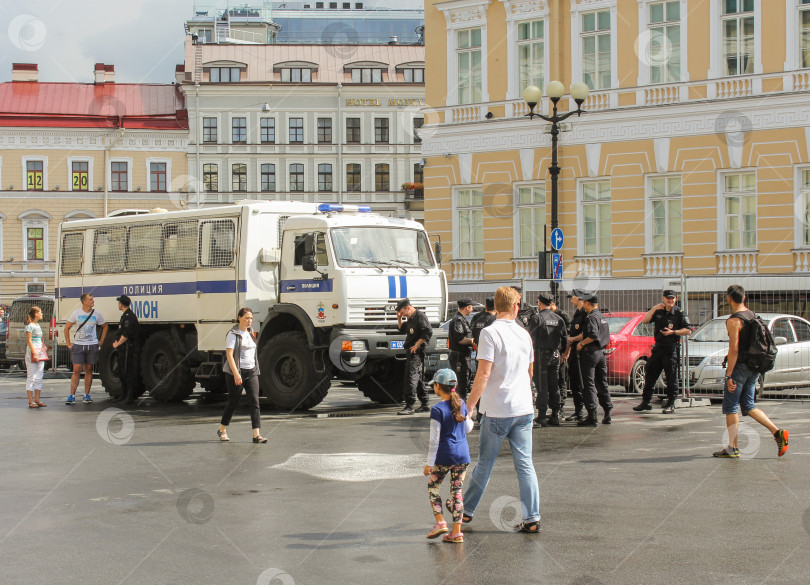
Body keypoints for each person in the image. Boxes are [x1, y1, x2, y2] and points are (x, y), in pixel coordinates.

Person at [463, 286, 541, 533]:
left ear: (496, 307)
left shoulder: (489, 333)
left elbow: (483, 374)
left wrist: (469, 406)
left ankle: (465, 511)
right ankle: (532, 518)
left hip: (498, 409)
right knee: (525, 465)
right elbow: (530, 372)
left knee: (485, 464)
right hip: (523, 408)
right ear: (516, 307)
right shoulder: (524, 334)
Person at [713, 284, 789, 458]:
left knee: (731, 406)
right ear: (744, 297)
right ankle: (778, 433)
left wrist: (729, 375)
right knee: (748, 405)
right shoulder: (753, 316)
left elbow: (734, 349)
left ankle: (732, 448)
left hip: (739, 367)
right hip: (754, 367)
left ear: (729, 298)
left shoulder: (734, 320)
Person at [423, 368, 474, 544]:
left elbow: (434, 440)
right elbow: (468, 428)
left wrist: (430, 463)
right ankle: (456, 533)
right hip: (462, 456)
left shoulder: (437, 409)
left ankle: (440, 522)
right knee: (457, 492)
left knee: (433, 485)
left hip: (445, 456)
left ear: (438, 387)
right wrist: (470, 418)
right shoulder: (461, 404)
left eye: (434, 385)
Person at [633, 290, 693, 414]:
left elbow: (688, 330)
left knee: (671, 377)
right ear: (663, 299)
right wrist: (654, 308)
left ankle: (671, 404)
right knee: (650, 373)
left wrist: (674, 332)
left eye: (672, 298)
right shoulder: (659, 311)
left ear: (675, 299)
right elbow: (645, 320)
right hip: (658, 347)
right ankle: (646, 402)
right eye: (668, 298)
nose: (670, 300)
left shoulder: (679, 313)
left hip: (671, 349)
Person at [218, 308, 266, 443]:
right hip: (236, 372)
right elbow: (229, 355)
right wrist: (236, 373)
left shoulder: (250, 333)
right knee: (233, 402)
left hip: (251, 371)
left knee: (255, 402)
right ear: (239, 318)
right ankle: (222, 429)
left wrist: (256, 369)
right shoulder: (233, 334)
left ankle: (256, 434)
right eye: (246, 318)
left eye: (251, 318)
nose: (249, 321)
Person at [576, 293, 614, 427]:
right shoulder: (602, 317)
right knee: (602, 382)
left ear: (587, 303)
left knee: (589, 384)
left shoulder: (591, 317)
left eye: (584, 303)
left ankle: (592, 415)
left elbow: (592, 335)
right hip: (601, 353)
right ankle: (607, 411)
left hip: (591, 353)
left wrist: (581, 344)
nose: (583, 305)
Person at [531, 293, 568, 427]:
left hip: (541, 355)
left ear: (540, 303)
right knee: (554, 385)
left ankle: (541, 416)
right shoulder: (558, 319)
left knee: (542, 386)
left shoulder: (537, 318)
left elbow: (531, 338)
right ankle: (555, 414)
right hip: (555, 354)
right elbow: (565, 339)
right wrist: (562, 352)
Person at [64, 293, 108, 405]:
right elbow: (67, 328)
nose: (93, 301)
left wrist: (100, 341)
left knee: (89, 369)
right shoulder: (76, 313)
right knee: (77, 369)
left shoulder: (96, 314)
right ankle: (72, 395)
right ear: (84, 301)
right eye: (91, 299)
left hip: (92, 344)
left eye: (93, 299)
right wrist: (69, 343)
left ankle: (86, 395)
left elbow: (105, 326)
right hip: (79, 345)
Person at [396, 298, 433, 415]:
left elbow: (428, 332)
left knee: (411, 377)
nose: (402, 315)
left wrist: (417, 345)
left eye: (402, 312)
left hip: (416, 351)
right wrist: (399, 319)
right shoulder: (410, 318)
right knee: (418, 377)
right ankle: (425, 403)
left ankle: (409, 405)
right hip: (411, 350)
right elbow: (402, 330)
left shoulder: (419, 316)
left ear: (408, 308)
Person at [562, 290, 588, 422]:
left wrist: (573, 339)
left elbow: (586, 332)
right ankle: (579, 411)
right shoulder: (577, 313)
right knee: (575, 384)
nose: (570, 300)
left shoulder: (585, 313)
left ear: (578, 298)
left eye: (572, 298)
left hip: (582, 353)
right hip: (574, 353)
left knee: (582, 383)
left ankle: (584, 412)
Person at [111, 295, 141, 405]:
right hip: (123, 349)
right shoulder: (125, 316)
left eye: (119, 302)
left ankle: (129, 396)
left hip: (129, 349)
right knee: (122, 371)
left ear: (121, 304)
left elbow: (126, 333)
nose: (118, 304)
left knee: (128, 372)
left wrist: (118, 343)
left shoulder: (129, 317)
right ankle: (124, 395)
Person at [448, 298, 475, 399]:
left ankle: (461, 405)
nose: (472, 309)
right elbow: (459, 339)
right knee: (461, 383)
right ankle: (459, 407)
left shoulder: (462, 319)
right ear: (467, 307)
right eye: (471, 307)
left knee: (466, 381)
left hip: (463, 356)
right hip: (460, 356)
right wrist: (472, 341)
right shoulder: (458, 320)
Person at [549, 298, 571, 418]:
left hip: (561, 353)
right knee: (553, 382)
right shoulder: (550, 316)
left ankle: (560, 407)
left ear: (553, 304)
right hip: (553, 352)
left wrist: (565, 353)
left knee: (561, 380)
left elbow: (567, 336)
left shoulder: (562, 316)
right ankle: (554, 409)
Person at [24, 306, 47, 408]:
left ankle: (37, 399)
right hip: (32, 354)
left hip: (40, 353)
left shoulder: (38, 325)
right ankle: (30, 401)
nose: (42, 314)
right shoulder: (30, 326)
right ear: (36, 314)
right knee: (31, 377)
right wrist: (34, 353)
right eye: (40, 312)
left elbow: (40, 339)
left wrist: (43, 348)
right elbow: (29, 341)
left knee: (39, 377)